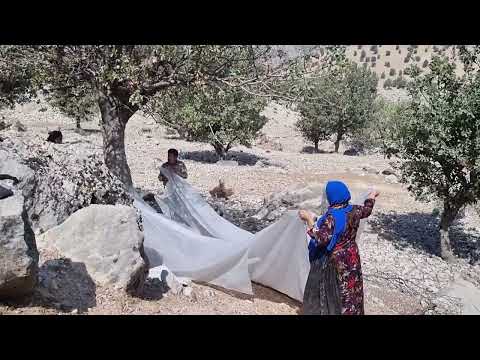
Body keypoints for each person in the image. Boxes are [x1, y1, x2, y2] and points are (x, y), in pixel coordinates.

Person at [298, 181, 379, 315]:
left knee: (339, 290)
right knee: (353, 287)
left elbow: (320, 239)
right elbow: (367, 210)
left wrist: (309, 220)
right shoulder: (355, 210)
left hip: (337, 260)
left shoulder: (331, 217)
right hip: (352, 256)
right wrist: (372, 196)